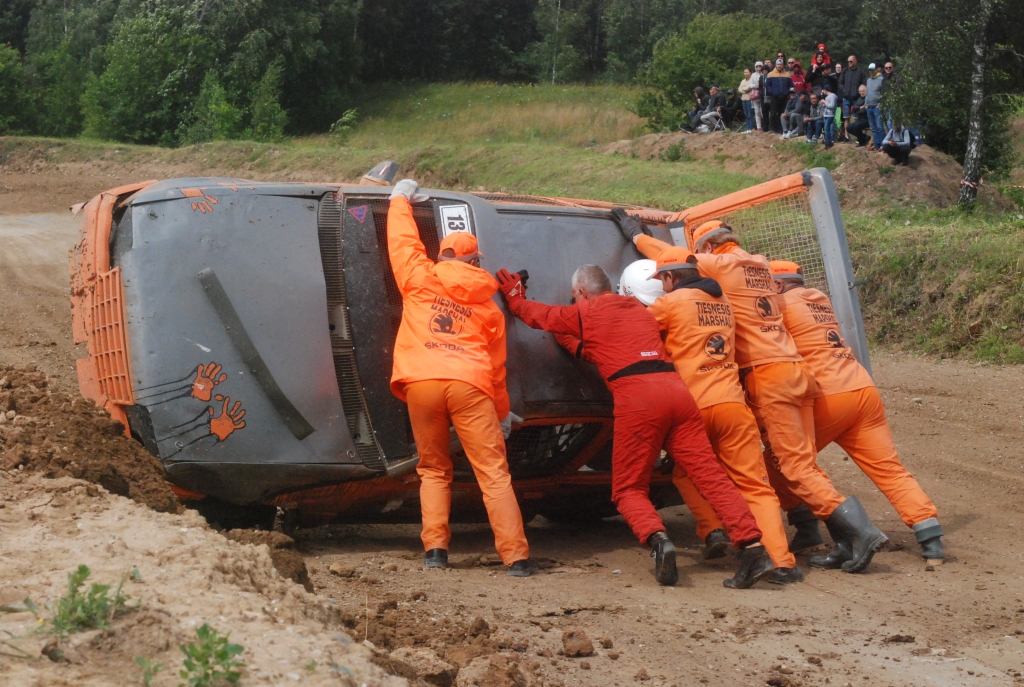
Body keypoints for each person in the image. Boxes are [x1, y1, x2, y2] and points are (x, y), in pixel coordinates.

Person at [494, 261, 773, 588]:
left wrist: (515, 296)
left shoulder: (588, 312)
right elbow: (605, 350)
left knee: (628, 488)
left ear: (582, 292)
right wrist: (569, 339)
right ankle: (753, 548)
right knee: (710, 476)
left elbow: (535, 315)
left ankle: (657, 539)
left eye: (575, 296)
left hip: (638, 400)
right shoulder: (641, 311)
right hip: (677, 393)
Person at [686, 220, 888, 573]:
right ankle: (841, 538)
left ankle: (861, 531)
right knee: (802, 463)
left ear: (705, 248)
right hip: (799, 373)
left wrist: (638, 236)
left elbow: (676, 260)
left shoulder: (720, 263)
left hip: (769, 377)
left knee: (792, 466)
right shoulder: (760, 264)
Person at [619, 220, 803, 584]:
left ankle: (712, 529)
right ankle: (782, 562)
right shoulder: (726, 304)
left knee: (686, 473)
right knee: (755, 485)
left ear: (670, 278)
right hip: (733, 405)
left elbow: (635, 329)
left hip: (694, 408)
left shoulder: (671, 303)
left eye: (662, 281)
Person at [385, 179, 536, 576]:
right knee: (493, 473)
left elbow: (402, 242)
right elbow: (497, 370)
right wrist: (501, 413)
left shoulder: (418, 277)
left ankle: (435, 551)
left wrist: (399, 199)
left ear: (443, 256)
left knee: (433, 469)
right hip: (470, 386)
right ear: (475, 263)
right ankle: (517, 558)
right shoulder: (489, 308)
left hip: (421, 382)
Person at [769, 261, 944, 564]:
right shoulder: (819, 300)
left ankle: (808, 526)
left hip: (829, 396)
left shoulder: (780, 306)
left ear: (779, 285)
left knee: (781, 462)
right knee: (888, 468)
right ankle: (930, 536)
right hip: (862, 388)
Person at [838, 55, 867, 141]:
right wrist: (844, 91)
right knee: (846, 117)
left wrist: (860, 92)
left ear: (855, 61)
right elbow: (840, 82)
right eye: (848, 61)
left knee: (856, 117)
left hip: (856, 98)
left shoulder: (861, 71)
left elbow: (864, 83)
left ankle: (859, 136)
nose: (849, 63)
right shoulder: (845, 70)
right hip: (846, 97)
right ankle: (846, 136)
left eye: (851, 61)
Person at [764, 58, 793, 134]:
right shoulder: (771, 74)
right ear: (775, 65)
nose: (779, 66)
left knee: (782, 113)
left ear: (783, 65)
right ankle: (773, 128)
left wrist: (788, 93)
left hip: (784, 97)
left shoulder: (787, 74)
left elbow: (790, 85)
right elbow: (767, 85)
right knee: (773, 113)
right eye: (778, 64)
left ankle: (782, 128)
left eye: (780, 64)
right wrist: (772, 92)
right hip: (774, 97)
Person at [864, 63, 886, 150]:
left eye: (872, 69)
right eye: (870, 70)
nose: (871, 71)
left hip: (877, 107)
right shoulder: (868, 80)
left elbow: (884, 93)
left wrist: (880, 104)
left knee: (880, 126)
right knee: (873, 127)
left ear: (877, 69)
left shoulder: (881, 79)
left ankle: (883, 144)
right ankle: (876, 144)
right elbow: (867, 92)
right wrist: (866, 104)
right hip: (869, 106)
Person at [748, 62, 765, 132]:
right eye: (757, 66)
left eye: (760, 66)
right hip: (755, 95)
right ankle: (759, 127)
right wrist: (755, 86)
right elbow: (750, 85)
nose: (758, 67)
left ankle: (764, 126)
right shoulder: (753, 75)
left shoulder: (764, 74)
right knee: (757, 112)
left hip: (762, 95)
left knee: (763, 111)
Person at [821, 84, 839, 149]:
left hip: (830, 115)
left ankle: (828, 142)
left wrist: (825, 102)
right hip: (826, 114)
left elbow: (832, 106)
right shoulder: (827, 97)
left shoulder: (832, 96)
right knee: (826, 128)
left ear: (825, 90)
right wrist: (824, 104)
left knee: (827, 128)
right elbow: (827, 105)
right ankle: (828, 141)